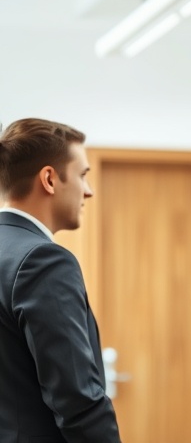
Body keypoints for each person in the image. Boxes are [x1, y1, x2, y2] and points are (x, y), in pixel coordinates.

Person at [0, 118, 121, 442]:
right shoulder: (44, 261)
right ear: (50, 179)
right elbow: (78, 400)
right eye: (82, 175)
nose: (89, 191)